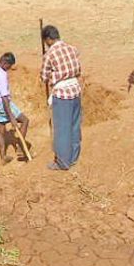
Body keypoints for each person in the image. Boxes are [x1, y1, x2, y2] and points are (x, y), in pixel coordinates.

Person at [40, 25, 83, 170]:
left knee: (62, 128)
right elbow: (78, 69)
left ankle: (63, 162)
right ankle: (74, 157)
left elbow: (44, 76)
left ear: (48, 39)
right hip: (76, 90)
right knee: (74, 125)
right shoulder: (72, 48)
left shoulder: (50, 54)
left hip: (62, 94)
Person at [0, 52, 29, 163]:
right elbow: (5, 99)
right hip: (2, 103)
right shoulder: (2, 75)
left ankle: (3, 156)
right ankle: (20, 148)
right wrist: (12, 118)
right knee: (25, 120)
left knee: (1, 130)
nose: (9, 69)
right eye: (9, 66)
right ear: (5, 63)